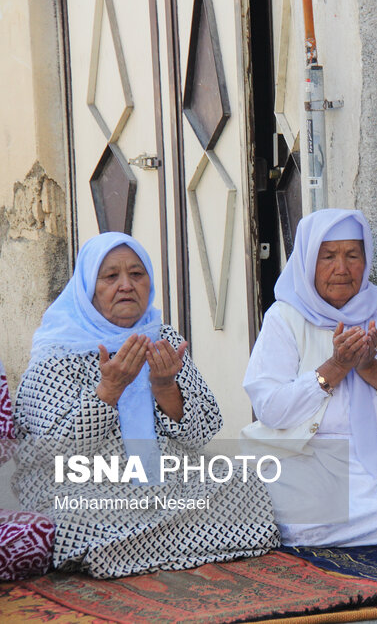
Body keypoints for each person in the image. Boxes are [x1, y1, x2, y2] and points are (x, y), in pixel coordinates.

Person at [13, 233, 278, 578]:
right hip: (91, 488)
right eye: (111, 276)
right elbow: (57, 451)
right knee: (74, 519)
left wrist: (165, 386)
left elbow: (202, 432)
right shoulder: (57, 352)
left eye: (136, 274)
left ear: (149, 282)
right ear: (88, 289)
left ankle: (128, 550)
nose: (126, 285)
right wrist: (109, 389)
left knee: (244, 482)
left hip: (168, 483)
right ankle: (181, 542)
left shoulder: (163, 338)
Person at [242, 209, 377, 549]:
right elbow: (270, 408)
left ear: (366, 259)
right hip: (305, 458)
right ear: (308, 261)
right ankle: (368, 533)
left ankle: (348, 532)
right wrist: (335, 367)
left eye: (352, 256)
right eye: (328, 256)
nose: (342, 268)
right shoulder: (285, 317)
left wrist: (372, 368)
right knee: (299, 520)